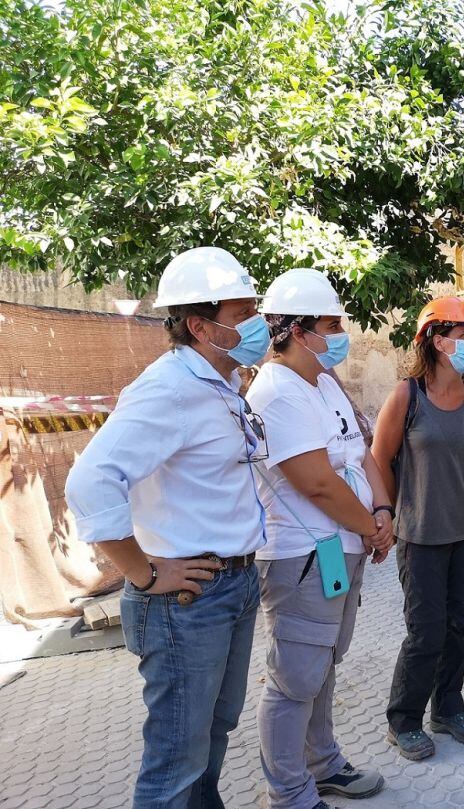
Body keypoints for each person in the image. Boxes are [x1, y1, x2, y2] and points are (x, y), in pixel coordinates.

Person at [64, 247, 270, 809]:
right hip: (186, 599)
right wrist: (144, 572)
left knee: (213, 732)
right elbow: (90, 482)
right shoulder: (169, 389)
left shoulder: (218, 383)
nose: (258, 324)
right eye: (243, 313)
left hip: (233, 585)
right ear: (201, 325)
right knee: (175, 760)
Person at [247, 268, 392, 808]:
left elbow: (361, 452)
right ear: (299, 330)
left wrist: (382, 510)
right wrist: (370, 525)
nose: (340, 334)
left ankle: (323, 763)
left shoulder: (324, 382)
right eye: (331, 325)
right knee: (293, 680)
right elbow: (316, 482)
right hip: (302, 557)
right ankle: (289, 793)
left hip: (341, 549)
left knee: (323, 664)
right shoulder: (276, 391)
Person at [371, 297, 464, 761]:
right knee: (425, 631)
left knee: (459, 625)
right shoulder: (407, 396)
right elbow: (380, 458)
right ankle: (403, 719)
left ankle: (448, 708)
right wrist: (387, 513)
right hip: (420, 534)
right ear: (438, 341)